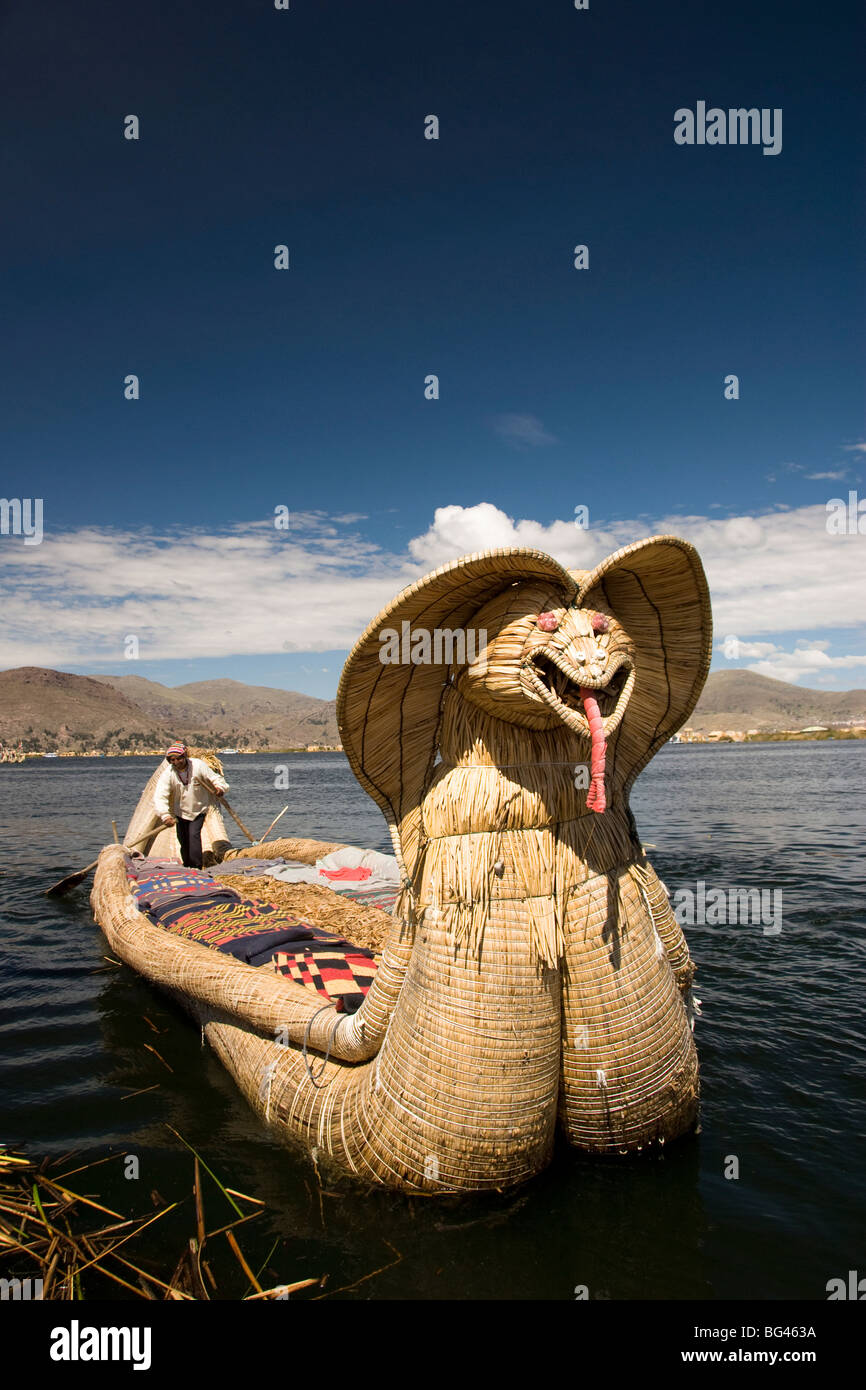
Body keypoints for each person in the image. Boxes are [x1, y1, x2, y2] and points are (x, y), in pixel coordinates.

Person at [153, 742, 229, 869]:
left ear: (185, 756)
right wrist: (165, 815)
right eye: (173, 760)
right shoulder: (169, 773)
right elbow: (161, 795)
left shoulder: (198, 766)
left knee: (193, 836)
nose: (177, 762)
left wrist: (220, 788)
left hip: (199, 810)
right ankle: (187, 865)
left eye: (179, 758)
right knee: (183, 840)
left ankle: (197, 867)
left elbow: (215, 778)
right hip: (180, 812)